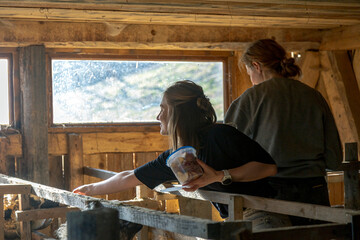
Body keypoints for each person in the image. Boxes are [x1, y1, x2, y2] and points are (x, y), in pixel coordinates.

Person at [73, 80, 289, 229]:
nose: (158, 116)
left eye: (163, 109)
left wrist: (220, 175)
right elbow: (130, 176)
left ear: (177, 112)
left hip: (263, 217)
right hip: (234, 220)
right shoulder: (179, 158)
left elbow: (268, 167)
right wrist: (89, 189)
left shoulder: (221, 135)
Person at [224, 39, 343, 224]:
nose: (251, 78)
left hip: (271, 192)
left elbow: (228, 152)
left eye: (249, 72)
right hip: (314, 189)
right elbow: (334, 159)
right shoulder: (314, 96)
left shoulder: (249, 100)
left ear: (256, 66)